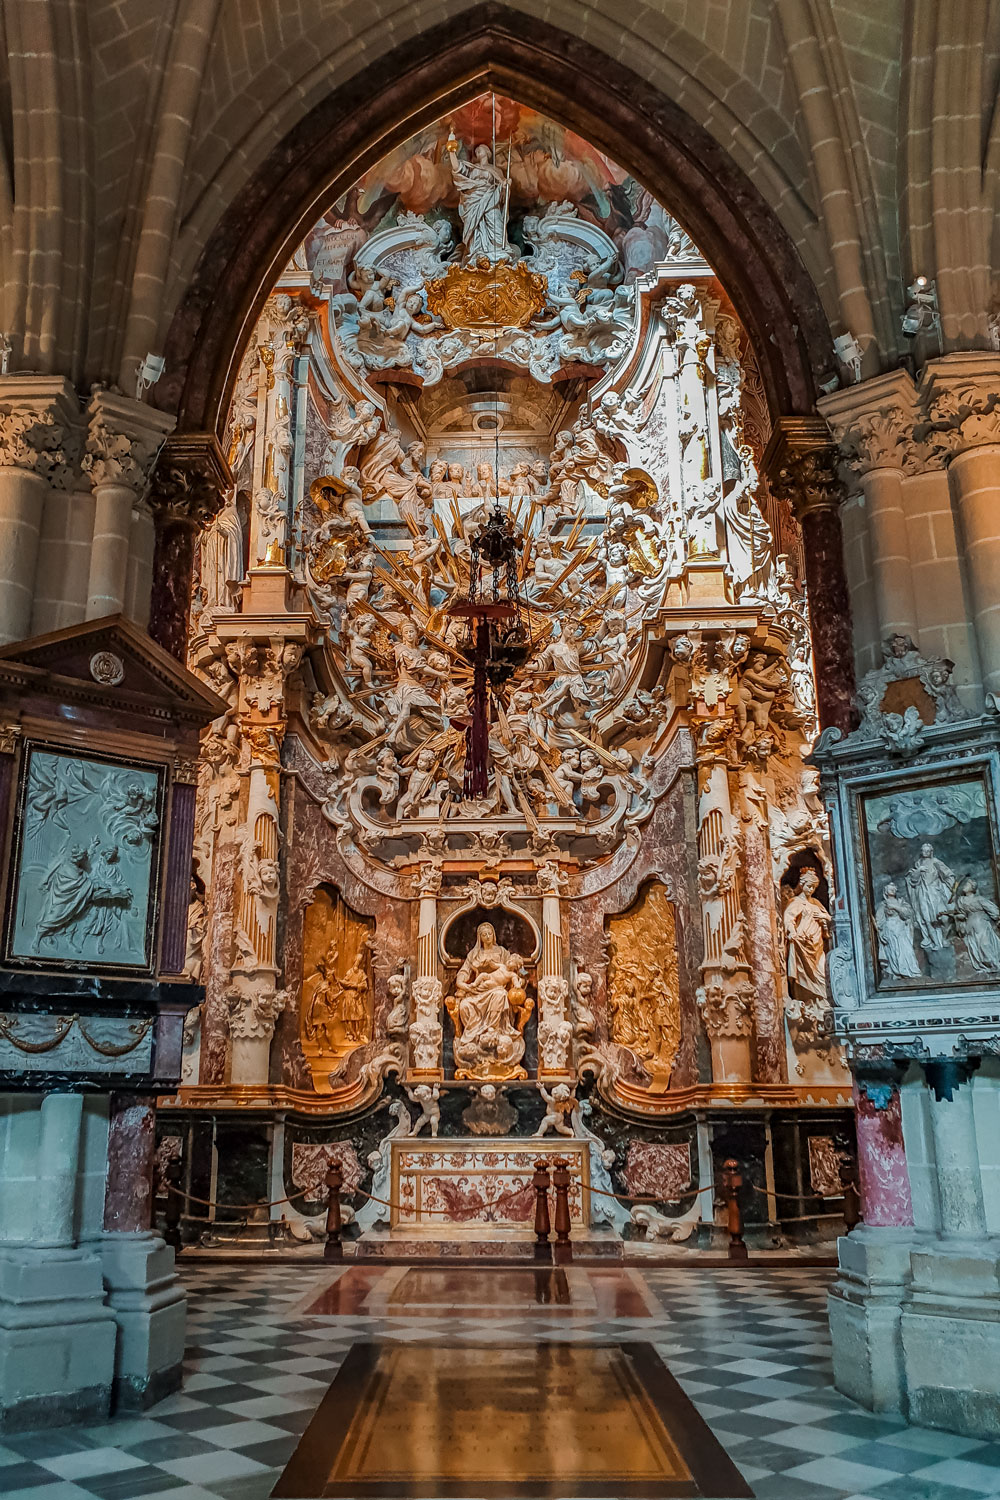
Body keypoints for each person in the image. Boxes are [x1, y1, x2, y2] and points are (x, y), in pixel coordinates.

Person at [783, 868, 831, 1004]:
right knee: (804, 975)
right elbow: (788, 918)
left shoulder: (816, 903)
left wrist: (824, 916)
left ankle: (823, 1000)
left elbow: (830, 918)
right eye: (809, 886)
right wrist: (792, 931)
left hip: (817, 945)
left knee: (822, 971)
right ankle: (808, 1001)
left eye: (814, 887)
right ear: (802, 884)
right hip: (802, 945)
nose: (811, 889)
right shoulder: (796, 902)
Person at [905, 842, 955, 951]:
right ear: (921, 851)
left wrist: (951, 886)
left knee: (944, 918)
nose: (926, 852)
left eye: (928, 850)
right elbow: (914, 881)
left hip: (935, 893)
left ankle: (945, 938)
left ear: (931, 851)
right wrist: (918, 871)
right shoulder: (918, 864)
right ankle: (936, 942)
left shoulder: (936, 862)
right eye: (924, 850)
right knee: (927, 919)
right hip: (923, 894)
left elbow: (948, 874)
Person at [948, 877, 1000, 972]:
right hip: (970, 927)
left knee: (984, 944)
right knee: (973, 946)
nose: (964, 886)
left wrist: (997, 918)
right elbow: (961, 913)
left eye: (967, 884)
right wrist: (958, 916)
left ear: (972, 887)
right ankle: (982, 966)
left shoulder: (979, 899)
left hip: (981, 925)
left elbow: (993, 910)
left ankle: (992, 964)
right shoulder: (961, 901)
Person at [874, 882, 922, 979]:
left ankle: (911, 971)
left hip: (901, 928)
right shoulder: (883, 904)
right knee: (894, 951)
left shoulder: (901, 902)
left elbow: (908, 914)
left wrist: (896, 907)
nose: (892, 890)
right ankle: (897, 972)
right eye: (890, 888)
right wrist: (881, 933)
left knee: (907, 950)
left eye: (894, 888)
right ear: (886, 891)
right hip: (890, 929)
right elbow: (879, 920)